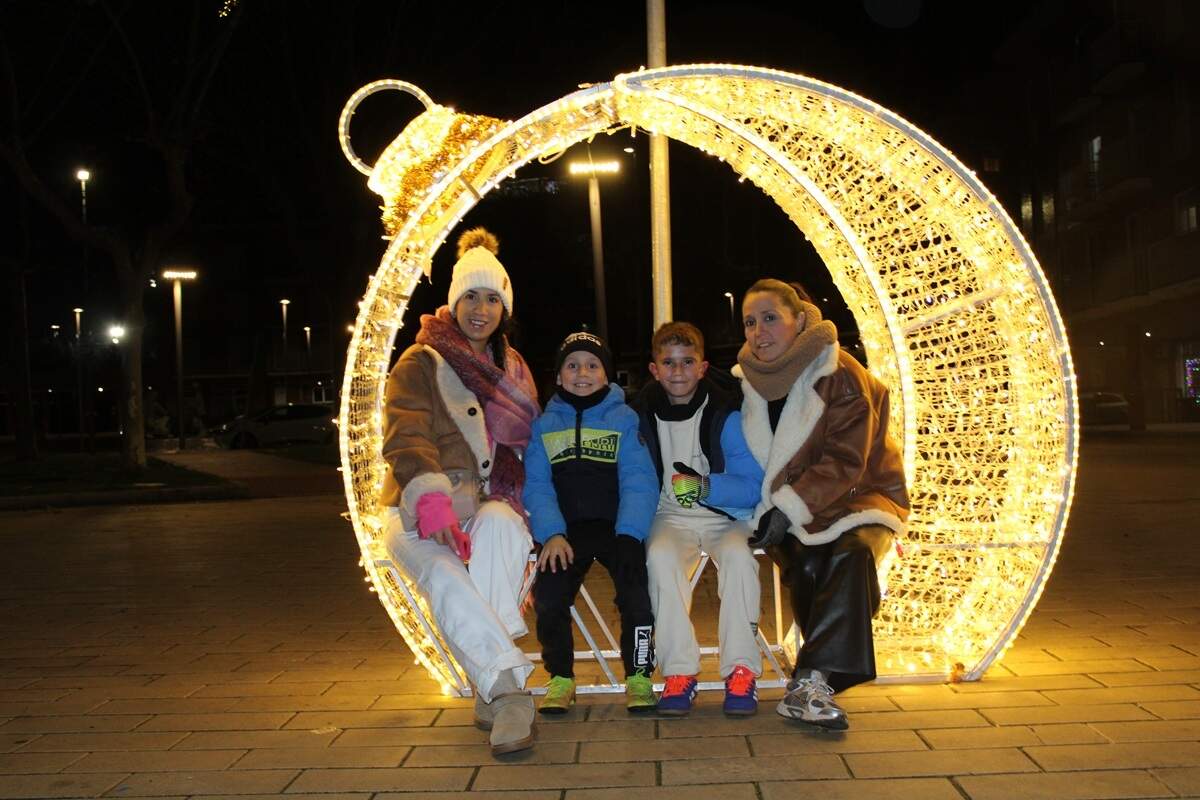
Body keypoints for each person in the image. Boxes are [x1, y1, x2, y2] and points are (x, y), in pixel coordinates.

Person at [380, 228, 541, 756]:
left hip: (488, 503)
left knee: (502, 525)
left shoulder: (513, 369)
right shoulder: (420, 361)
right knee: (446, 572)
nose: (481, 308)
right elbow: (405, 437)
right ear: (453, 301)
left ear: (504, 308)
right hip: (416, 509)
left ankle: (488, 686)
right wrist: (433, 507)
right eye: (470, 295)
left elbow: (531, 448)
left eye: (492, 297)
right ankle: (510, 693)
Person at [734, 278, 909, 730]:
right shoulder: (749, 379)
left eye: (770, 318)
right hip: (786, 509)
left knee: (851, 554)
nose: (759, 332)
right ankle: (813, 687)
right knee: (809, 566)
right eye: (750, 322)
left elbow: (847, 460)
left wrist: (788, 507)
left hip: (858, 498)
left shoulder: (838, 372)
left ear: (799, 320)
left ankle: (809, 680)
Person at [522, 331, 659, 715]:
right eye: (572, 365)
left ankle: (639, 675)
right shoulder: (544, 425)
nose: (582, 373)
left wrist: (630, 534)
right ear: (559, 375)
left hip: (618, 528)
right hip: (565, 533)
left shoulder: (624, 418)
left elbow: (639, 479)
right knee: (549, 598)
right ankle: (561, 678)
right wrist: (551, 533)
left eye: (592, 365)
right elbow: (536, 485)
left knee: (637, 598)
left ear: (606, 374)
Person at [632, 322, 765, 716]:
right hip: (669, 515)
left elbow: (753, 485)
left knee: (740, 559)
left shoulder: (726, 412)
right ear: (654, 369)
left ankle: (741, 669)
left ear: (703, 367)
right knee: (659, 557)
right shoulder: (639, 414)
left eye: (687, 362)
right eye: (668, 363)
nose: (678, 371)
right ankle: (679, 671)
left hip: (726, 516)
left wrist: (707, 487)